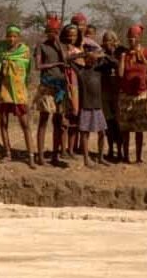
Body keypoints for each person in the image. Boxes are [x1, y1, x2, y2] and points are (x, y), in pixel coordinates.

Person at [0, 24, 35, 167]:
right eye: (9, 36)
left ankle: (31, 156)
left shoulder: (25, 52)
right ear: (6, 37)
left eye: (14, 36)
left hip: (19, 92)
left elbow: (28, 72)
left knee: (25, 124)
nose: (11, 38)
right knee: (3, 123)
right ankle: (7, 153)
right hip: (4, 92)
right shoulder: (1, 52)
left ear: (18, 37)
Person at [116, 24, 147, 164]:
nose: (131, 40)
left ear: (139, 38)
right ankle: (126, 155)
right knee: (125, 128)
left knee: (139, 129)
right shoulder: (125, 54)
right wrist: (122, 59)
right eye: (129, 38)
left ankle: (139, 157)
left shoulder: (146, 52)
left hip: (141, 94)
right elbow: (121, 74)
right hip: (126, 95)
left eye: (134, 38)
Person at [33, 16, 67, 167]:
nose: (54, 34)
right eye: (52, 31)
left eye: (57, 31)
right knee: (43, 120)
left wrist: (59, 46)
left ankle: (54, 156)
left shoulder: (62, 47)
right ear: (47, 32)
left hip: (60, 87)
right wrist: (55, 64)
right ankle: (40, 156)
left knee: (58, 122)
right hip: (47, 86)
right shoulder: (41, 46)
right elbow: (38, 66)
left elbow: (65, 62)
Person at [73, 42, 107, 166]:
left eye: (92, 58)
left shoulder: (99, 70)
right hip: (86, 106)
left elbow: (108, 59)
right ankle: (86, 159)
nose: (90, 60)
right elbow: (68, 60)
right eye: (87, 58)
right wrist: (83, 54)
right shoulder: (80, 71)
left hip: (98, 106)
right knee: (85, 133)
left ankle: (100, 157)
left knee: (102, 132)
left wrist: (97, 53)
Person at [99, 31, 123, 162]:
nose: (105, 42)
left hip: (118, 93)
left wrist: (106, 57)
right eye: (104, 40)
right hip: (105, 92)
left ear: (114, 41)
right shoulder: (101, 55)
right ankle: (110, 150)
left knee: (118, 123)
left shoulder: (121, 53)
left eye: (107, 40)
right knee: (108, 122)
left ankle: (120, 151)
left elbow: (118, 65)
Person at [60, 22, 83, 155]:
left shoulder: (79, 49)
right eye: (69, 35)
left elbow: (82, 65)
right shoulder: (62, 48)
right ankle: (62, 149)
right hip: (64, 85)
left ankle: (71, 149)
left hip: (77, 86)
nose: (71, 38)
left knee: (75, 117)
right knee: (64, 118)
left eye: (74, 35)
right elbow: (65, 59)